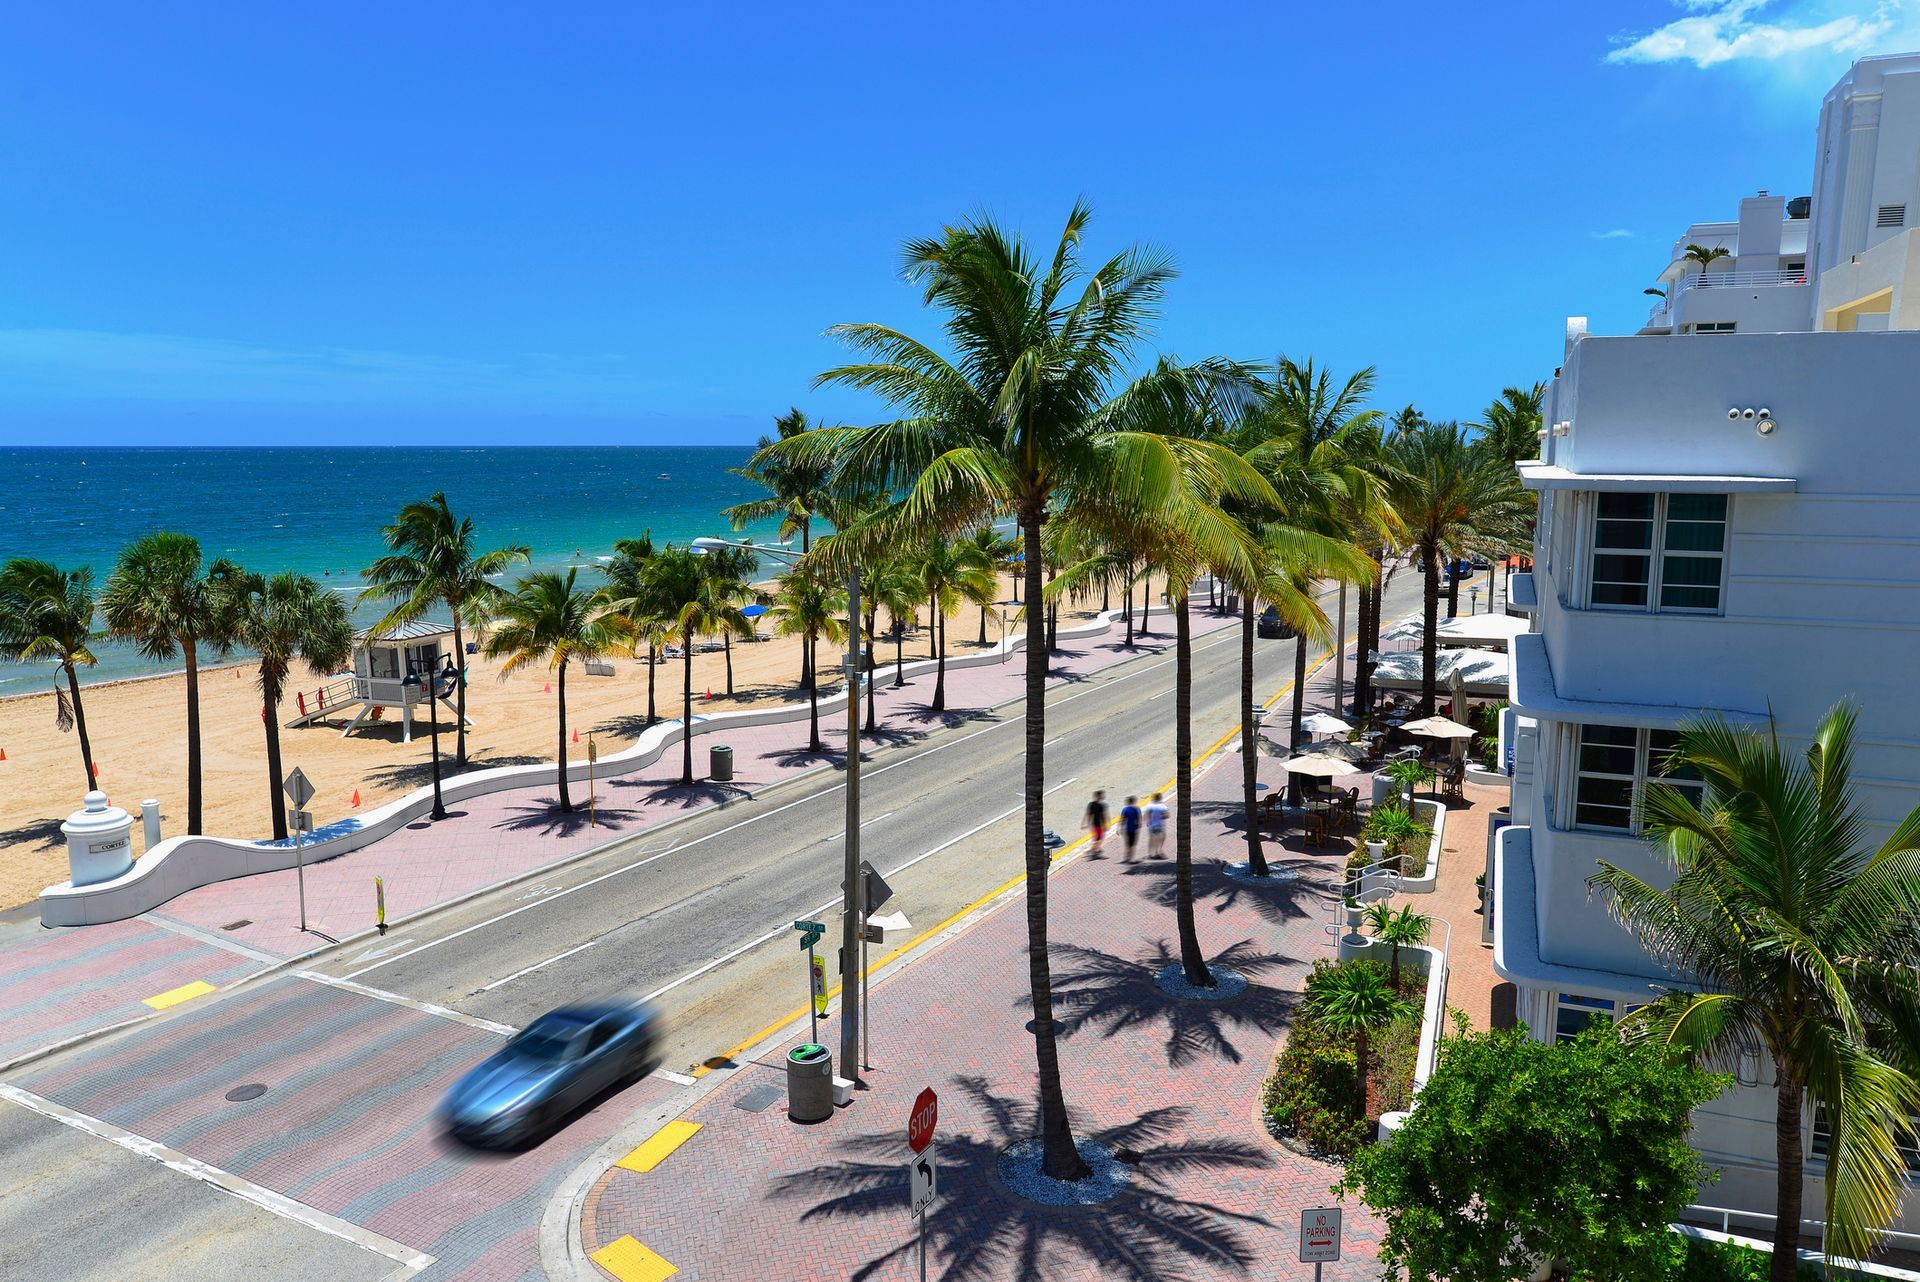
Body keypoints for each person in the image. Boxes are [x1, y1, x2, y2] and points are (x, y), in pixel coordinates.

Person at [1083, 790, 1109, 856]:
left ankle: (1095, 848)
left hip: (1093, 823)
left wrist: (1086, 823)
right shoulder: (1102, 805)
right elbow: (1104, 815)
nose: (1103, 796)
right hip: (1099, 824)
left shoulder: (1091, 804)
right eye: (1102, 795)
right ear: (1099, 796)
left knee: (1097, 837)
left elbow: (1088, 814)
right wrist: (1105, 824)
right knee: (1100, 837)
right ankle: (1094, 849)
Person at [1145, 792, 1170, 859]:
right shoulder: (1162, 806)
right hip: (1160, 825)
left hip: (1151, 825)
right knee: (1161, 838)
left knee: (1151, 839)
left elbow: (1146, 815)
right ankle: (1158, 851)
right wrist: (1161, 817)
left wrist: (1148, 822)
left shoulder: (1150, 806)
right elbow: (1167, 815)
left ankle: (1150, 854)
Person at [1118, 796, 1143, 862]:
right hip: (1134, 829)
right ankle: (1132, 859)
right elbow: (1139, 820)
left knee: (1127, 843)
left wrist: (1119, 828)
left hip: (1127, 829)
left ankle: (1126, 857)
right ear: (1134, 801)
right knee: (1133, 844)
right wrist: (1138, 826)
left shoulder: (1125, 809)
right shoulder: (1137, 809)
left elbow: (1122, 819)